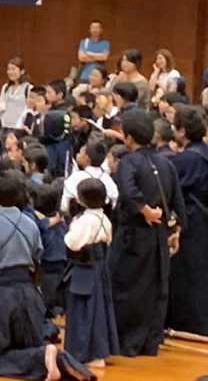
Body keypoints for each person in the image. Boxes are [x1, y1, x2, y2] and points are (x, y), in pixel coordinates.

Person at [0, 170, 95, 380]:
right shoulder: (31, 224)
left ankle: (45, 355)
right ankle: (55, 358)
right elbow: (38, 260)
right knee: (25, 346)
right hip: (30, 296)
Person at [110, 110, 184, 357]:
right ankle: (150, 343)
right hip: (160, 235)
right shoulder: (166, 162)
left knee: (127, 288)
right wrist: (176, 230)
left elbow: (127, 190)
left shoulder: (130, 161)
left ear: (128, 137)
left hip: (134, 234)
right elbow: (177, 201)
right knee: (155, 288)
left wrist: (144, 210)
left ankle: (127, 343)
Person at [63, 178, 119, 367]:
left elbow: (72, 242)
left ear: (82, 199)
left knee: (83, 310)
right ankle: (99, 351)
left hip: (84, 268)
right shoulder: (105, 219)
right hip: (100, 268)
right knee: (99, 309)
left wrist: (73, 224)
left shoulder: (85, 220)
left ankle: (84, 353)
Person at [165, 104, 208, 336]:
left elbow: (169, 190)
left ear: (181, 131)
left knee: (187, 272)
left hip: (192, 220)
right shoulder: (204, 153)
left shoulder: (184, 160)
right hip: (203, 218)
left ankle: (190, 324)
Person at [0, 57, 31, 130]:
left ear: (22, 71)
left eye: (13, 69)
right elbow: (0, 105)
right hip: (4, 125)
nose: (10, 72)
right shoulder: (5, 87)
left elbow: (29, 109)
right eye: (9, 69)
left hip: (18, 126)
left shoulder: (28, 88)